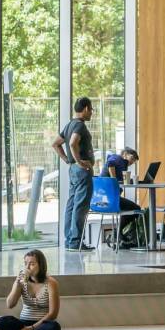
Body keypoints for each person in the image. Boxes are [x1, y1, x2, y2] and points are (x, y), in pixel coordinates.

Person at [53, 97, 96, 251]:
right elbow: (72, 143)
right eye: (91, 109)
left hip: (73, 170)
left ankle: (70, 240)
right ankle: (76, 241)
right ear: (85, 109)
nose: (91, 113)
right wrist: (79, 161)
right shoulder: (79, 125)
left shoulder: (69, 124)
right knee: (81, 206)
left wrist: (68, 160)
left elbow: (56, 143)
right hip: (82, 170)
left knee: (72, 204)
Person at [0, 250, 61, 330]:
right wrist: (17, 284)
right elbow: (10, 304)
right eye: (25, 263)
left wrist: (31, 328)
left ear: (41, 265)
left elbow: (53, 314)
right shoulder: (21, 281)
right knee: (2, 321)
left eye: (32, 264)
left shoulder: (51, 283)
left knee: (54, 327)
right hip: (23, 324)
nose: (27, 267)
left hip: (42, 323)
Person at [102, 147, 146, 248]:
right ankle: (117, 234)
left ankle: (117, 234)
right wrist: (113, 180)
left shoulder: (122, 164)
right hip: (110, 198)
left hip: (105, 198)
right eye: (133, 158)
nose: (133, 161)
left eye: (135, 160)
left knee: (131, 208)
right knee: (136, 208)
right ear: (125, 154)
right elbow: (110, 163)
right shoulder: (118, 159)